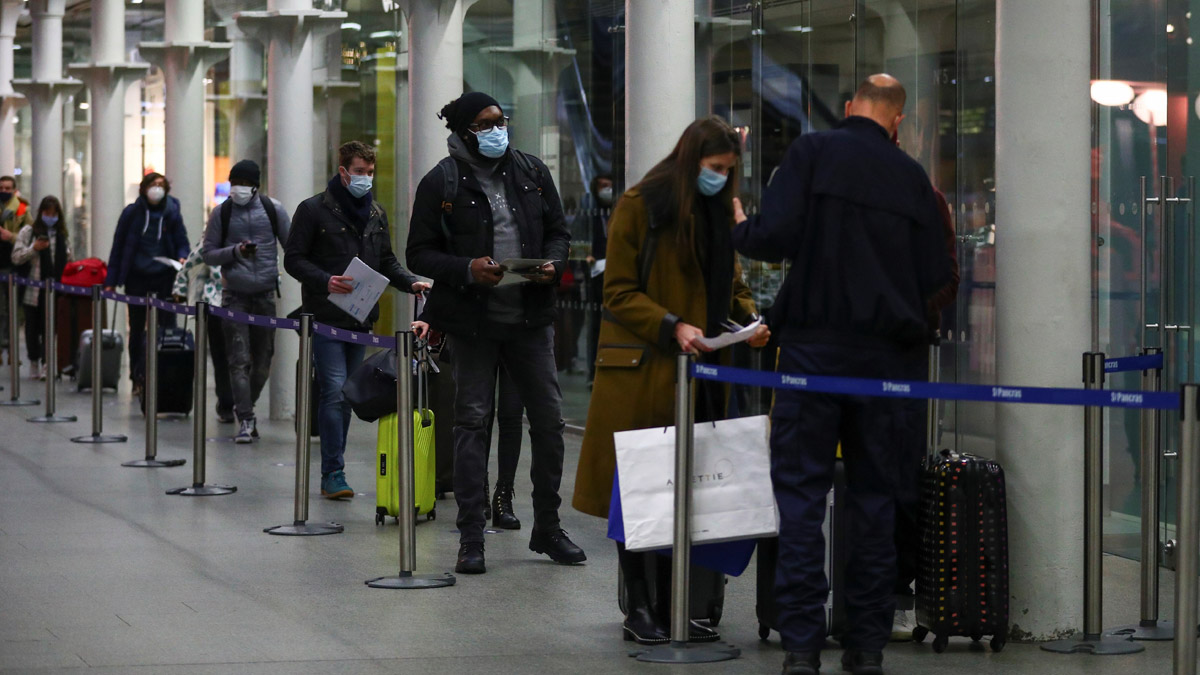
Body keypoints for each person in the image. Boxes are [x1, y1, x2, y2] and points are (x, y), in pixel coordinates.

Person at [731, 75, 953, 675]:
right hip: (887, 366)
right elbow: (937, 274)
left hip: (813, 357)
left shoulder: (813, 152)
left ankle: (802, 646)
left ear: (851, 107)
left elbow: (773, 238)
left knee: (802, 499)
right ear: (897, 122)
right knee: (876, 502)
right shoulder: (913, 179)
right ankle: (867, 647)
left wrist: (740, 223)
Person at [571, 117, 770, 645]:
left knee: (686, 492)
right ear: (690, 161)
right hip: (644, 371)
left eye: (727, 170)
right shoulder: (640, 205)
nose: (720, 177)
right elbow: (618, 291)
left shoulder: (717, 210)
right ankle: (639, 607)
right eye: (714, 167)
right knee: (640, 491)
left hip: (698, 374)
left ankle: (673, 606)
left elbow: (729, 283)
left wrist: (749, 321)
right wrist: (671, 324)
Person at [406, 91, 585, 575]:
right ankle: (471, 536)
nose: (497, 130)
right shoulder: (441, 181)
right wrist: (466, 268)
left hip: (531, 320)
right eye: (486, 124)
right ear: (465, 132)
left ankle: (547, 527)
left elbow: (559, 232)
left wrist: (555, 264)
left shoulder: (532, 172)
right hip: (474, 323)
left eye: (501, 121)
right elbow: (418, 253)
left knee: (548, 423)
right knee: (472, 424)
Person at [284, 141, 428, 499]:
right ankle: (333, 472)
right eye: (360, 172)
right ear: (343, 172)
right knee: (334, 392)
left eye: (370, 172)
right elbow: (294, 259)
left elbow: (386, 261)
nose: (366, 178)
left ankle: (334, 467)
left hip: (360, 320)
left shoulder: (376, 213)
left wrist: (410, 282)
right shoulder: (313, 210)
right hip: (326, 318)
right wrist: (324, 280)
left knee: (347, 394)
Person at [202, 160, 291, 444]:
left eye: (244, 183)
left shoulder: (273, 210)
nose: (238, 188)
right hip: (235, 297)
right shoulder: (222, 213)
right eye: (235, 183)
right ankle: (246, 419)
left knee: (263, 362)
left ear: (255, 185)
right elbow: (208, 254)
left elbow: (292, 247)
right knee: (238, 360)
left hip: (265, 295)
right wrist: (236, 252)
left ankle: (246, 406)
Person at [104, 173, 190, 396]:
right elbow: (118, 246)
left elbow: (182, 240)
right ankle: (137, 376)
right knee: (137, 329)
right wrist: (110, 281)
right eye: (153, 184)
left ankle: (164, 376)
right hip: (137, 277)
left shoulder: (172, 212)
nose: (157, 189)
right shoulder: (132, 213)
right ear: (144, 188)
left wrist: (182, 256)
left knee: (167, 329)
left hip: (165, 277)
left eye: (161, 185)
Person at [173, 241, 235, 426]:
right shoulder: (214, 237)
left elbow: (189, 263)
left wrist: (179, 290)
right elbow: (191, 262)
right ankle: (228, 403)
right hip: (221, 303)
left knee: (225, 358)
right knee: (224, 356)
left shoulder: (213, 237)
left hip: (229, 302)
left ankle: (229, 403)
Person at [11, 196, 71, 380]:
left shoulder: (62, 235)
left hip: (55, 290)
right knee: (31, 328)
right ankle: (34, 361)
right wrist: (34, 248)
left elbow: (69, 259)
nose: (50, 217)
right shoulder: (29, 232)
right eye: (47, 213)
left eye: (54, 214)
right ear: (41, 213)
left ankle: (47, 363)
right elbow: (16, 257)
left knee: (50, 328)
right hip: (32, 290)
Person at [584, 173, 614, 384]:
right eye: (603, 186)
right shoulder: (590, 213)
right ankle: (593, 372)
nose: (607, 190)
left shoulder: (617, 210)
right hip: (595, 274)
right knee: (595, 325)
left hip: (612, 272)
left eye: (610, 186)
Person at [0, 175, 33, 356]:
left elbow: (29, 236)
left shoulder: (22, 209)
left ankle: (9, 342)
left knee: (12, 306)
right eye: (1, 188)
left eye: (7, 188)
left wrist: (10, 236)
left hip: (13, 263)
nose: (4, 191)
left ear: (14, 190)